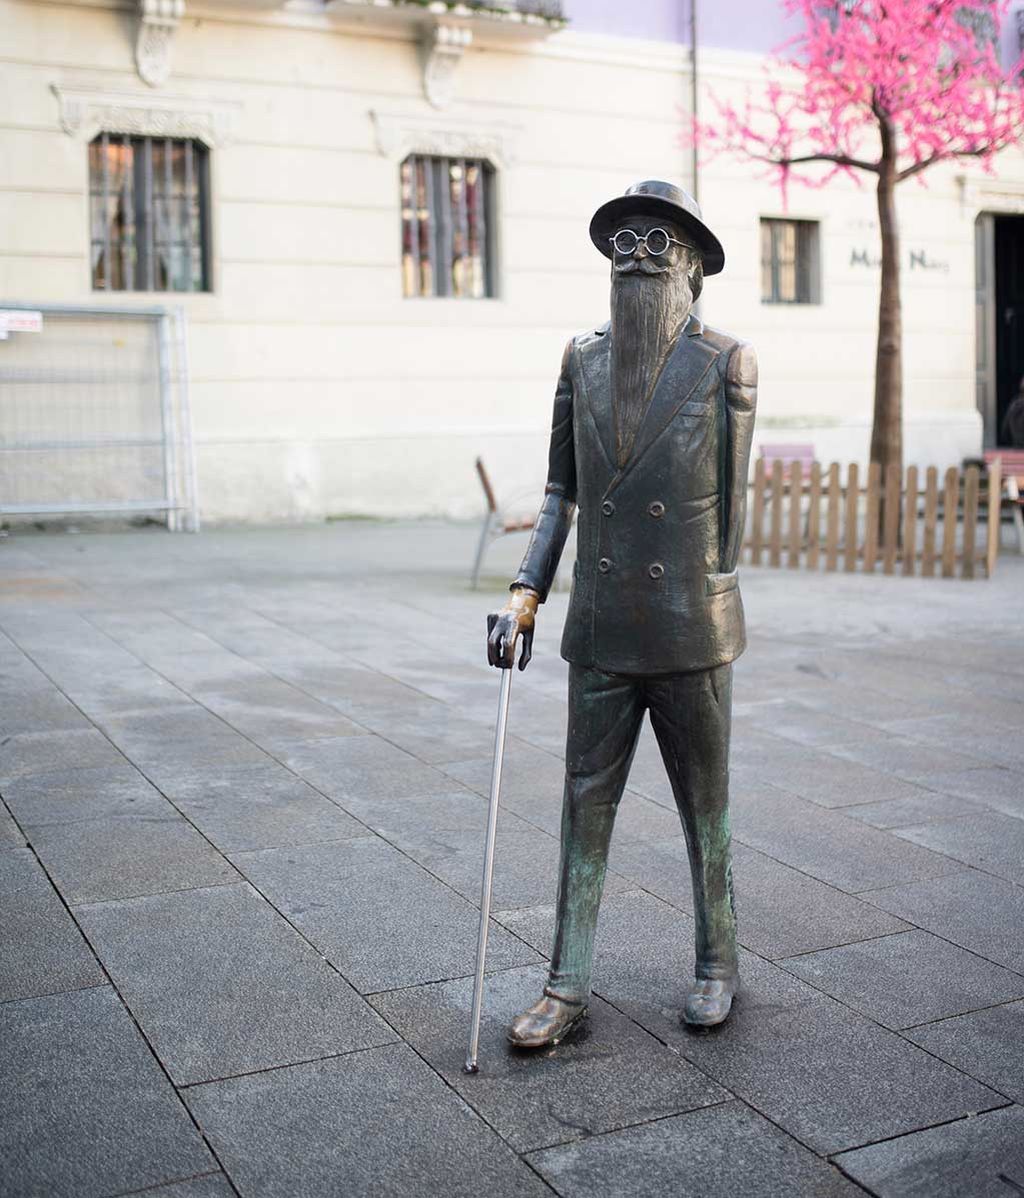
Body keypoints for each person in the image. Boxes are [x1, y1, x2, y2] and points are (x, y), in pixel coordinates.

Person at [486, 180, 757, 1047]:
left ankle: (718, 962)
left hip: (688, 628)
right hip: (602, 630)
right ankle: (565, 985)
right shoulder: (582, 361)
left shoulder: (724, 366)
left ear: (693, 271)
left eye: (660, 244)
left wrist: (714, 592)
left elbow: (733, 522)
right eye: (625, 243)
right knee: (581, 805)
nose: (639, 257)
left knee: (703, 807)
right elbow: (560, 492)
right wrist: (525, 595)